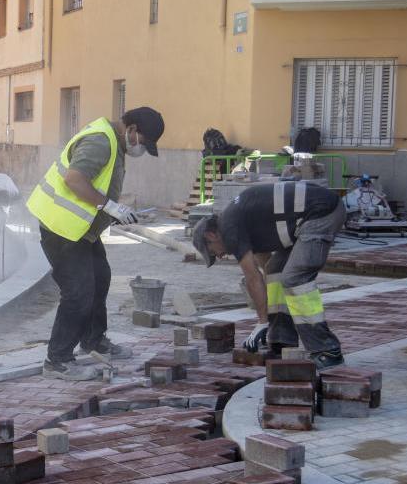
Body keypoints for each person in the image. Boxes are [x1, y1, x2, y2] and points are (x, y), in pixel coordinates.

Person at [27, 107, 165, 380]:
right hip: (61, 228)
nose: (140, 148)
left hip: (81, 230)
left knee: (101, 277)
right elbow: (74, 179)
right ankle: (57, 360)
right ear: (132, 129)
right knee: (78, 292)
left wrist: (112, 212)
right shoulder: (101, 141)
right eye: (142, 141)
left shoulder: (114, 142)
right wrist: (109, 206)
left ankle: (93, 341)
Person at [192, 180, 346, 369]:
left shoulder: (229, 228)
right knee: (275, 271)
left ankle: (328, 350)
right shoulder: (238, 222)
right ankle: (282, 340)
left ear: (211, 236)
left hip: (321, 213)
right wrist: (267, 323)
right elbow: (265, 267)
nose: (221, 256)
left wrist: (262, 322)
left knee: (294, 278)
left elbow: (252, 277)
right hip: (309, 217)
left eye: (214, 252)